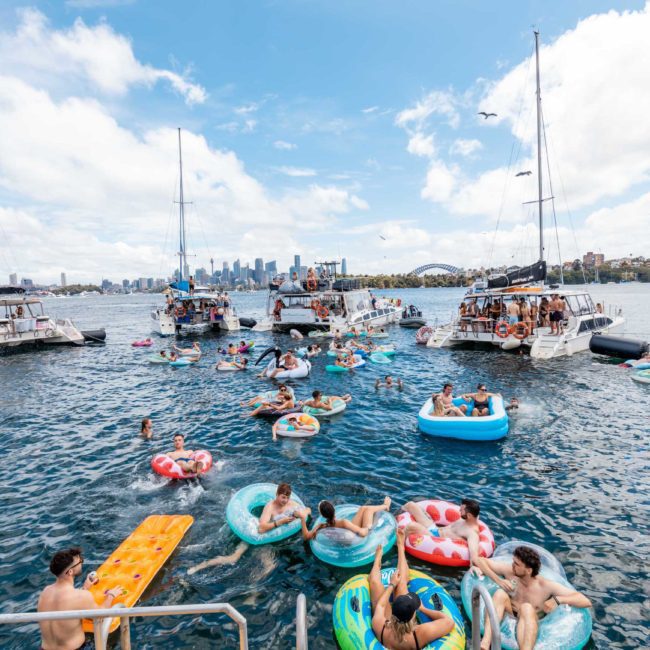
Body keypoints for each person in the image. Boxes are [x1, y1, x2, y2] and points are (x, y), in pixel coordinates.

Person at [478, 545, 592, 650]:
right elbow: (480, 561)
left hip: (532, 621)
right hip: (510, 613)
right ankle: (486, 642)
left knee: (526, 608)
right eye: (513, 562)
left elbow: (585, 601)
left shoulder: (545, 586)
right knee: (500, 593)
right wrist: (499, 580)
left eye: (517, 564)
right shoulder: (510, 572)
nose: (512, 565)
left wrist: (558, 600)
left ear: (528, 570)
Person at [371, 530, 454, 649]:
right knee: (402, 584)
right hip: (410, 640)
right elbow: (449, 622)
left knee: (375, 583)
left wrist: (391, 585)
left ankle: (377, 563)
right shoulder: (420, 634)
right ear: (413, 615)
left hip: (388, 633)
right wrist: (424, 609)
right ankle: (401, 548)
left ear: (393, 610)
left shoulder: (379, 624)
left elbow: (380, 606)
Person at [38, 547, 122, 650]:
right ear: (70, 572)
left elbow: (66, 605)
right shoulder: (81, 597)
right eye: (80, 562)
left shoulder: (45, 592)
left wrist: (85, 588)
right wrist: (110, 596)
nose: (82, 562)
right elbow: (101, 616)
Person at [403, 498, 483, 568]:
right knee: (411, 505)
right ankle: (394, 518)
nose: (459, 511)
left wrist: (474, 567)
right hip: (435, 529)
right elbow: (476, 512)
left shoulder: (472, 533)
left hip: (434, 538)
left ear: (469, 515)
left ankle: (396, 543)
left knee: (411, 526)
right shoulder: (470, 517)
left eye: (461, 510)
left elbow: (474, 556)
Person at [299, 497, 391, 541]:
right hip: (358, 536)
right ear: (334, 510)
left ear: (322, 516)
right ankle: (385, 506)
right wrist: (368, 527)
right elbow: (363, 533)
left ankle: (385, 506)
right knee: (368, 510)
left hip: (349, 532)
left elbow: (306, 537)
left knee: (363, 508)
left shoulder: (321, 526)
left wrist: (302, 519)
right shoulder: (343, 523)